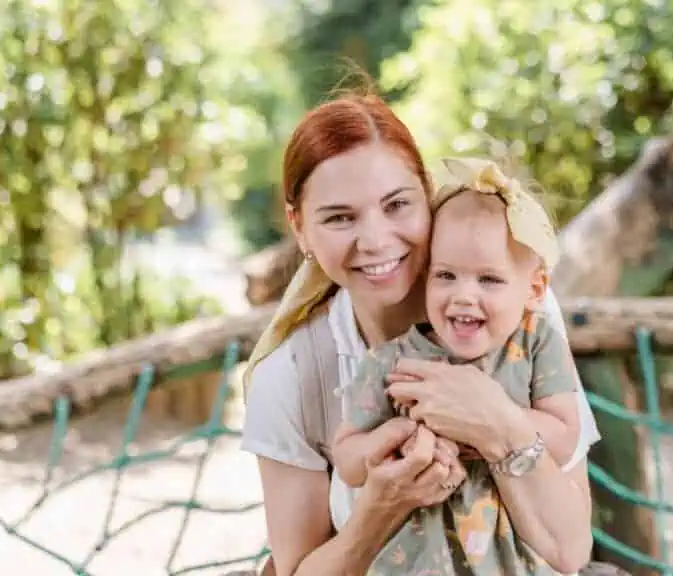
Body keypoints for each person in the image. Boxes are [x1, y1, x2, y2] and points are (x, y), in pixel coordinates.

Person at [240, 84, 599, 576]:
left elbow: (572, 550)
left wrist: (497, 421)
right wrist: (380, 509)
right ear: (299, 227)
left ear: (426, 195)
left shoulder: (516, 310)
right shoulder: (292, 376)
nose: (375, 240)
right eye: (340, 218)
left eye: (397, 205)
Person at [330, 156, 582, 574]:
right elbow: (349, 459)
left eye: (489, 279)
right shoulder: (391, 362)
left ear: (534, 288)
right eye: (446, 276)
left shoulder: (537, 342)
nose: (464, 295)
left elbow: (564, 436)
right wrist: (395, 436)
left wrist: (491, 421)